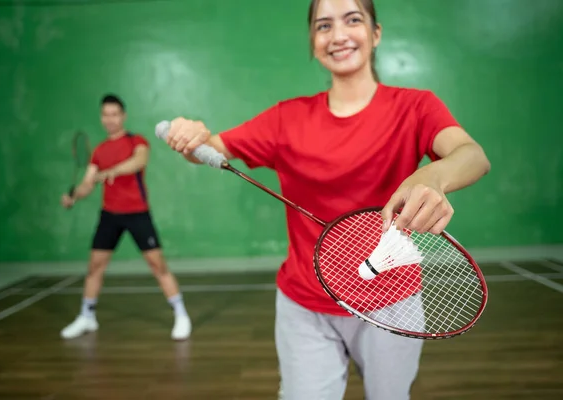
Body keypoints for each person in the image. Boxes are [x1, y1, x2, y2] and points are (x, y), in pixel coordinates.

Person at [160, 0, 491, 398]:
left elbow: (472, 156)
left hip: (393, 302)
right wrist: (191, 134)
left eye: (353, 20)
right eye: (323, 26)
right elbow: (211, 147)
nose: (338, 35)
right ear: (313, 43)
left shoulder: (415, 106)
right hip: (306, 304)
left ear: (376, 33)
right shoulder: (286, 118)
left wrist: (432, 175)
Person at [60, 94, 191, 341]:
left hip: (137, 214)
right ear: (101, 117)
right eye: (105, 115)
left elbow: (137, 162)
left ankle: (181, 315)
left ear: (123, 116)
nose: (109, 119)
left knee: (158, 266)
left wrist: (111, 172)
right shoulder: (98, 151)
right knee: (94, 267)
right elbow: (88, 184)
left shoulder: (137, 141)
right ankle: (87, 316)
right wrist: (74, 196)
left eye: (114, 114)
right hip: (109, 216)